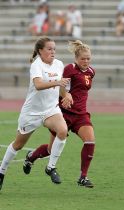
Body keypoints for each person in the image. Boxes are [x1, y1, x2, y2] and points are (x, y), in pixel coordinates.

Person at [0, 37, 72, 190]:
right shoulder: (36, 65)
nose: (52, 51)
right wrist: (57, 83)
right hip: (32, 113)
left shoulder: (59, 64)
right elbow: (38, 85)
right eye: (49, 49)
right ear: (40, 51)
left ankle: (51, 167)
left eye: (54, 49)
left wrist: (66, 95)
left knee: (63, 131)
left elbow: (61, 87)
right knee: (18, 145)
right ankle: (1, 172)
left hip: (51, 110)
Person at [23, 40, 96, 188]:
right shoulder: (69, 69)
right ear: (76, 58)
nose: (86, 61)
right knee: (51, 150)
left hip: (81, 114)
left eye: (88, 58)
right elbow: (60, 85)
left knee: (90, 141)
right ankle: (31, 157)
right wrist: (66, 95)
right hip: (63, 113)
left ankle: (83, 177)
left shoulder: (91, 72)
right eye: (83, 58)